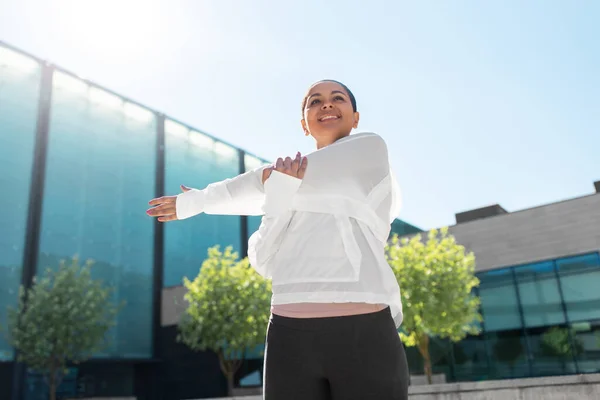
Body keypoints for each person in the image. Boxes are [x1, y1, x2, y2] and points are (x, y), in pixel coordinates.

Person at [147, 80, 409, 399]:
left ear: (355, 118)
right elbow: (263, 260)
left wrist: (201, 201)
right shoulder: (283, 192)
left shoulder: (369, 149)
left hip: (363, 329)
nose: (326, 104)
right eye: (315, 101)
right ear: (304, 124)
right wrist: (278, 198)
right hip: (289, 331)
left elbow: (289, 176)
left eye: (337, 98)